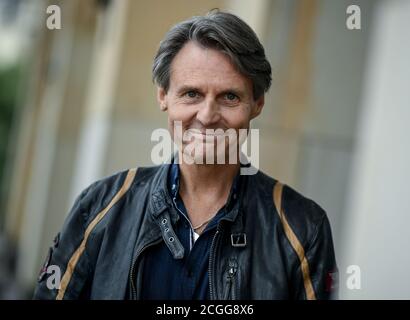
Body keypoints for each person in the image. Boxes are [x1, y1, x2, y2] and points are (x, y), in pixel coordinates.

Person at [33, 10, 338, 300]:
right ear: (163, 95)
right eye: (191, 93)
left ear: (257, 103)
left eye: (229, 96)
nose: (207, 115)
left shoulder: (303, 228)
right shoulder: (100, 205)